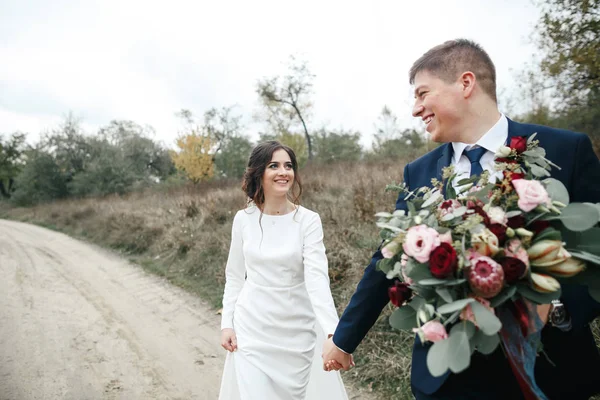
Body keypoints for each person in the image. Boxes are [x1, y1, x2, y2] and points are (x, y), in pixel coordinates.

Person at [322, 39, 600, 399]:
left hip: (548, 372)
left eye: (423, 93)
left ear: (465, 83)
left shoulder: (565, 150)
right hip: (448, 379)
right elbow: (386, 260)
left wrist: (559, 310)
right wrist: (344, 340)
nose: (415, 109)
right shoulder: (419, 173)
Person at [218, 141, 349, 400]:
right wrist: (226, 324)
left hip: (296, 333)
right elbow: (234, 275)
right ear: (259, 173)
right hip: (251, 331)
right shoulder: (243, 219)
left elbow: (317, 280)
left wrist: (334, 332)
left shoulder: (308, 221)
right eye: (273, 165)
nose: (283, 172)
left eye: (288, 166)